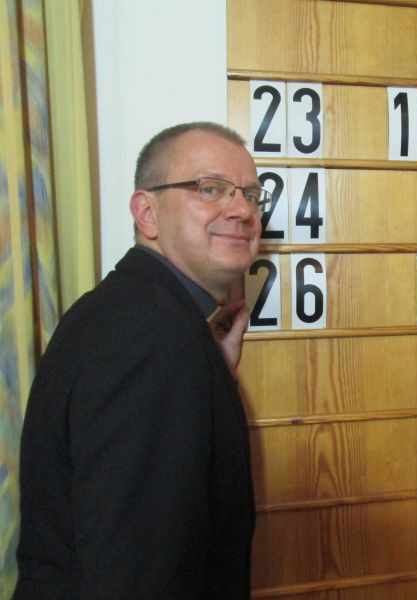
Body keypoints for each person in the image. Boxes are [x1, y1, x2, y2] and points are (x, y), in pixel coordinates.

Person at [14, 122, 268, 599]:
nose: (241, 210)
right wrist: (187, 363)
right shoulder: (153, 337)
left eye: (252, 195)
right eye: (209, 188)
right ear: (146, 213)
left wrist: (208, 370)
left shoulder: (141, 317)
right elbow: (134, 575)